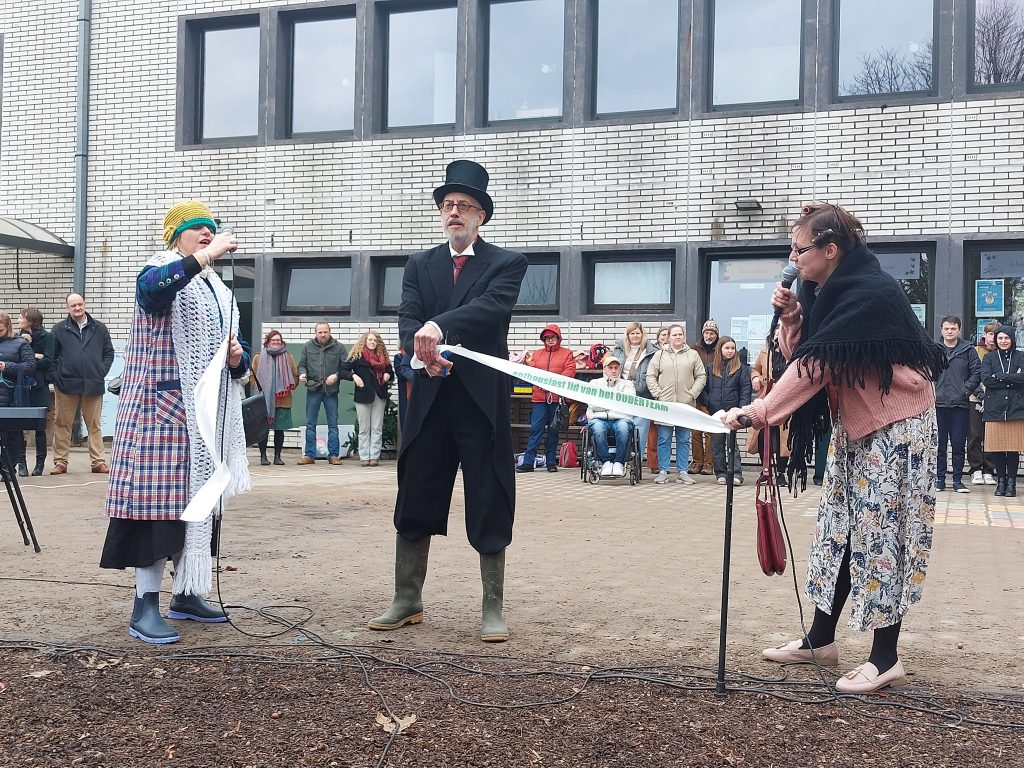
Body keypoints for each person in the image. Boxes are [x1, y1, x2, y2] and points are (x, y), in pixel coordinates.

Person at [721, 202, 945, 693]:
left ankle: (885, 658)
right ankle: (820, 640)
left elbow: (816, 367)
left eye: (800, 249)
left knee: (884, 538)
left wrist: (758, 412)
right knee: (838, 531)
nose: (793, 258)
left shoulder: (869, 291)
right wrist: (792, 317)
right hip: (858, 425)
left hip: (899, 427)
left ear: (830, 249)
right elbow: (802, 353)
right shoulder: (821, 291)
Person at [369, 159, 527, 643]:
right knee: (416, 488)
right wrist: (422, 355)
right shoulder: (420, 264)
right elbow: (408, 317)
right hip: (430, 395)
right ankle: (407, 598)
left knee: (489, 493)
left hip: (480, 400)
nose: (453, 212)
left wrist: (439, 328)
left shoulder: (506, 263)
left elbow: (489, 309)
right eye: (447, 205)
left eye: (464, 205)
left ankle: (492, 605)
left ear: (482, 215)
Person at [100, 201, 250, 645]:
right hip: (159, 415)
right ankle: (144, 605)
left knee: (199, 506)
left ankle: (186, 593)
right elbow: (151, 292)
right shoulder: (161, 269)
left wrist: (237, 359)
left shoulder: (218, 291)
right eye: (197, 228)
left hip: (205, 418)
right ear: (175, 236)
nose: (207, 233)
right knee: (158, 513)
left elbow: (236, 357)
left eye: (211, 228)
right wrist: (205, 256)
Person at [49, 292, 114, 474]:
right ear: (67, 308)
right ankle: (60, 462)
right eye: (73, 305)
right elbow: (52, 356)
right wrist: (57, 377)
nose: (77, 308)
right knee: (63, 423)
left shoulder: (99, 328)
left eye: (80, 304)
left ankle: (98, 462)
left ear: (84, 304)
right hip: (66, 384)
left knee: (94, 424)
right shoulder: (59, 329)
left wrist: (101, 371)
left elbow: (108, 353)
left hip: (93, 383)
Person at [646, 323, 706, 485]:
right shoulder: (659, 355)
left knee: (684, 439)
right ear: (668, 337)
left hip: (685, 405)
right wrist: (658, 394)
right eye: (674, 334)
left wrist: (692, 394)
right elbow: (650, 376)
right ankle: (663, 471)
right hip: (665, 405)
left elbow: (701, 376)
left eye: (680, 334)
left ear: (684, 336)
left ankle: (682, 472)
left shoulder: (693, 354)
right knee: (664, 438)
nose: (678, 337)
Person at [516, 324, 575, 473]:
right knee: (536, 430)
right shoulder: (536, 354)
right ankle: (528, 462)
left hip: (557, 399)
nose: (550, 340)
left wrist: (552, 384)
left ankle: (551, 463)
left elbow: (570, 371)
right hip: (539, 399)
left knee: (553, 431)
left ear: (558, 337)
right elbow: (531, 373)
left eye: (553, 337)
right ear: (543, 339)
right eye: (547, 337)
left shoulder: (567, 353)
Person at [934, 315, 981, 493]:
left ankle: (957, 481)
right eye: (946, 328)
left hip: (959, 405)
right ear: (941, 330)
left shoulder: (968, 350)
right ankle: (939, 479)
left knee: (958, 444)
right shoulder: (934, 350)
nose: (949, 331)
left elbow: (976, 373)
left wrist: (964, 391)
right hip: (938, 404)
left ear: (959, 330)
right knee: (939, 445)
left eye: (953, 328)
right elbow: (926, 372)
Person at [979, 325, 1024, 497]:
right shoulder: (989, 357)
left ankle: (1011, 484)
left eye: (1006, 338)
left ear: (1012, 339)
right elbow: (987, 380)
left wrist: (1001, 376)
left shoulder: (1020, 356)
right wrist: (1013, 377)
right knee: (998, 447)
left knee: (1012, 448)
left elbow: (1023, 378)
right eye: (1000, 338)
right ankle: (1001, 482)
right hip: (995, 409)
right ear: (996, 340)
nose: (1003, 341)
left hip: (1016, 408)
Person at [340, 330, 394, 467]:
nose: (372, 342)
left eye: (375, 340)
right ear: (365, 341)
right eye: (370, 340)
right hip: (363, 395)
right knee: (364, 428)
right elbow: (343, 371)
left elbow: (390, 372)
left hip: (379, 394)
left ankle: (374, 456)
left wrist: (388, 375)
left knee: (377, 427)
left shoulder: (383, 357)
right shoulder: (358, 356)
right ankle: (364, 457)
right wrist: (354, 376)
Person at [297, 323, 347, 466]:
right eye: (320, 332)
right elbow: (302, 365)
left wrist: (336, 376)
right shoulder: (307, 346)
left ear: (330, 332)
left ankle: (333, 455)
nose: (323, 335)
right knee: (310, 424)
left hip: (331, 391)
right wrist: (302, 374)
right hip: (313, 389)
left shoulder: (339, 347)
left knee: (333, 424)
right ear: (315, 333)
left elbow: (345, 367)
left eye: (325, 332)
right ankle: (309, 455)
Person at [704, 336, 752, 486]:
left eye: (732, 348)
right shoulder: (710, 368)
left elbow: (745, 391)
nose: (730, 351)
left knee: (732, 445)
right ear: (720, 349)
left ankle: (736, 473)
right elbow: (703, 389)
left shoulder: (741, 369)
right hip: (716, 412)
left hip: (733, 413)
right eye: (727, 348)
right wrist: (709, 403)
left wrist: (741, 410)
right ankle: (721, 473)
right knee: (717, 444)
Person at [611, 321, 659, 463]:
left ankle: (636, 461)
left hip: (642, 396)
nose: (635, 336)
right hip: (622, 395)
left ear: (643, 335)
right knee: (622, 427)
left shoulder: (652, 351)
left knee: (640, 432)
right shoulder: (619, 350)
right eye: (632, 333)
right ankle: (619, 459)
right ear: (628, 335)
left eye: (638, 333)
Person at [749, 328, 791, 486]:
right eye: (777, 333)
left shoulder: (792, 353)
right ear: (772, 336)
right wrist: (755, 377)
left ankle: (781, 473)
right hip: (767, 399)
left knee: (783, 438)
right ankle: (766, 470)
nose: (779, 335)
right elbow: (755, 369)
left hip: (786, 400)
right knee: (763, 435)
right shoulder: (765, 353)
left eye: (783, 333)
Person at [15, 308, 54, 476]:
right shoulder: (17, 337)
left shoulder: (47, 337)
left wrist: (29, 361)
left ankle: (40, 463)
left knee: (40, 427)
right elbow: (15, 359)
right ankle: (21, 463)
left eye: (21, 317)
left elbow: (48, 360)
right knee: (19, 426)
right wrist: (35, 356)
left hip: (39, 386)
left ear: (30, 320)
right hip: (21, 386)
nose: (18, 320)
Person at [250, 329, 298, 466]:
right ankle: (263, 456)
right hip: (264, 400)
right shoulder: (259, 357)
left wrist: (288, 386)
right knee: (263, 430)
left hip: (282, 399)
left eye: (278, 340)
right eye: (273, 340)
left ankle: (278, 456)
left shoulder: (288, 357)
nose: (276, 342)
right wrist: (260, 390)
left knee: (279, 429)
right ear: (268, 341)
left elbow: (294, 375)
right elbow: (252, 375)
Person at [585, 352, 636, 477]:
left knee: (623, 428)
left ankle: (619, 462)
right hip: (599, 418)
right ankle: (606, 462)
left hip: (622, 419)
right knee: (598, 428)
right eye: (610, 367)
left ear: (620, 369)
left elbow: (629, 404)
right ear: (604, 369)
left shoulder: (627, 384)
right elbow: (593, 404)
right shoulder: (594, 383)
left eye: (616, 368)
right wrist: (617, 403)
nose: (613, 370)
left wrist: (604, 402)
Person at [0, 311, 36, 473]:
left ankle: (8, 469)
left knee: (11, 435)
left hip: (11, 397)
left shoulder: (20, 343)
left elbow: (30, 366)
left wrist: (6, 367)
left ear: (7, 327)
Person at [968, 321, 998, 485]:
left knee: (991, 436)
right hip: (975, 399)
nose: (993, 337)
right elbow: (971, 375)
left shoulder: (1002, 353)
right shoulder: (975, 351)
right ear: (984, 334)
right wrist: (981, 395)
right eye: (990, 333)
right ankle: (975, 469)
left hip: (996, 402)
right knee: (975, 435)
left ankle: (989, 470)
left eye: (996, 334)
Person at [689, 319, 719, 475]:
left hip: (713, 394)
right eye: (707, 332)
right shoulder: (694, 349)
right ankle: (697, 462)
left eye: (712, 333)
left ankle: (709, 463)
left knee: (709, 432)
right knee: (695, 431)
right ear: (703, 333)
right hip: (696, 394)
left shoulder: (719, 349)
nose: (709, 336)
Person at [646, 326, 671, 475]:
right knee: (653, 433)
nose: (665, 338)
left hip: (670, 398)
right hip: (654, 397)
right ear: (658, 338)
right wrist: (657, 393)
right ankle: (654, 463)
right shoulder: (652, 352)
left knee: (666, 435)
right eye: (663, 335)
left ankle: (664, 463)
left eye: (668, 335)